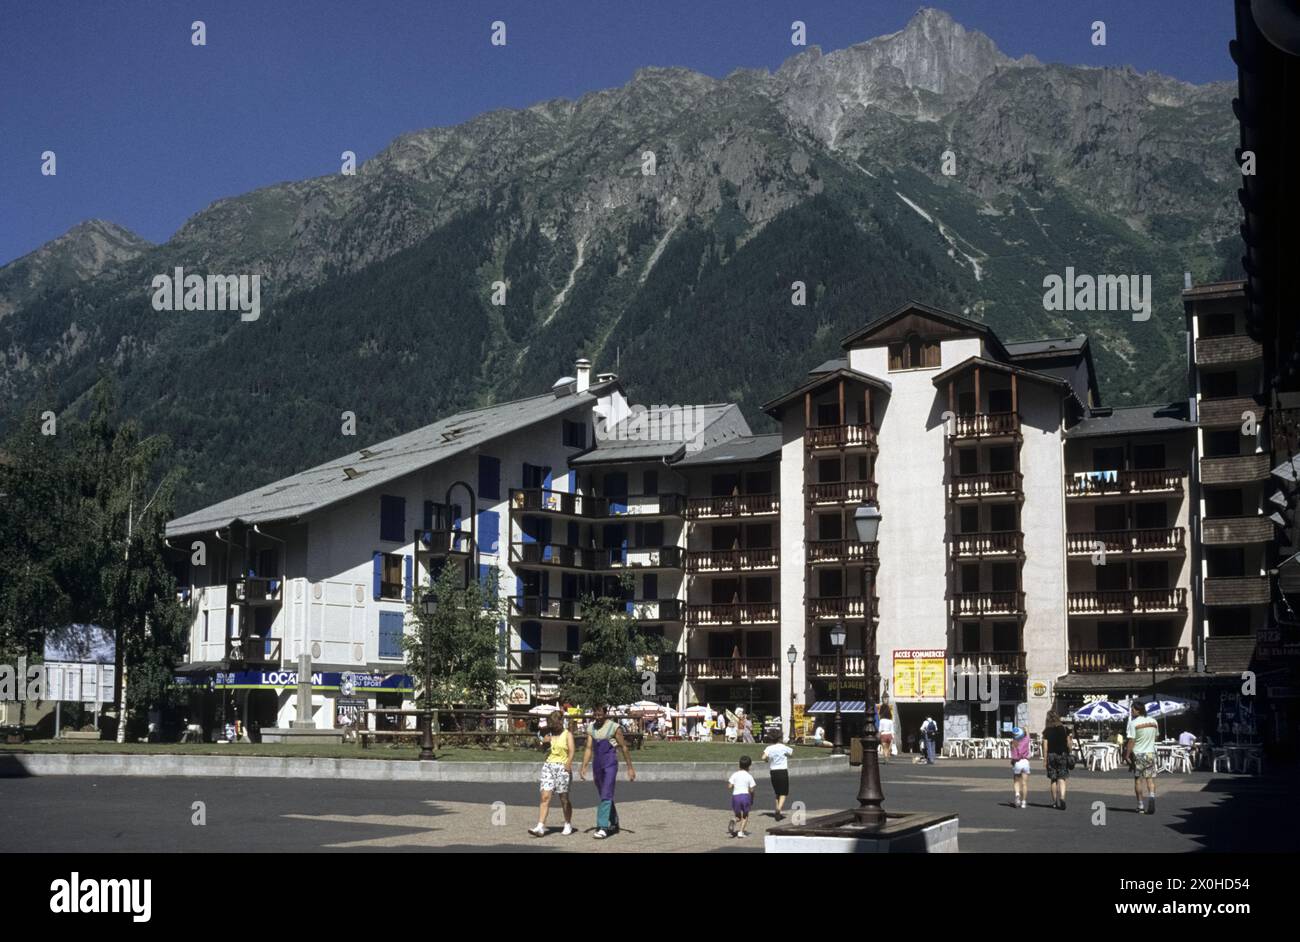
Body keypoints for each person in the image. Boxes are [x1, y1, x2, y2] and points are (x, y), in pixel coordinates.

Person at [580, 704, 636, 839]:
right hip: (597, 764)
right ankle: (614, 821)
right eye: (595, 714)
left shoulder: (614, 727)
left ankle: (603, 826)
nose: (598, 717)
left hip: (610, 763)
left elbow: (624, 747)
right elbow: (588, 748)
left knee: (606, 793)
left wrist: (630, 767)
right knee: (605, 794)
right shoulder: (591, 728)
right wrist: (584, 766)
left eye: (600, 714)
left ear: (605, 714)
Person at [528, 710, 575, 837]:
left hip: (562, 766)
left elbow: (571, 751)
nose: (553, 725)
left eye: (555, 723)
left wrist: (568, 763)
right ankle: (540, 826)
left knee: (563, 798)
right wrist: (544, 742)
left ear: (560, 722)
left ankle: (567, 823)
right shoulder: (548, 734)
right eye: (551, 723)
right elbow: (542, 751)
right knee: (545, 797)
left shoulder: (567, 734)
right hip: (549, 765)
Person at [1125, 702, 1160, 814]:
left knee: (1138, 780)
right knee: (1150, 779)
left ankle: (1140, 805)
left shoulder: (1133, 723)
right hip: (1150, 753)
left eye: (1133, 710)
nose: (1131, 712)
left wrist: (1126, 754)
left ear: (1138, 710)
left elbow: (1131, 740)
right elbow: (1156, 736)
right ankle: (1152, 796)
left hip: (1138, 754)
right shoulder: (1154, 721)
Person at [1042, 711, 1075, 810]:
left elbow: (1045, 746)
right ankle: (1062, 798)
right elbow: (1069, 742)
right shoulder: (1065, 729)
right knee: (1062, 778)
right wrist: (1069, 750)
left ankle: (1055, 802)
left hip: (1051, 755)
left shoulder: (1046, 731)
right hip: (1062, 754)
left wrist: (1045, 759)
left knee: (1053, 779)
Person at [761, 734, 794, 820]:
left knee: (777, 792)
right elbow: (791, 753)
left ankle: (777, 810)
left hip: (773, 771)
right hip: (782, 771)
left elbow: (763, 757)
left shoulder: (769, 748)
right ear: (779, 738)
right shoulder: (783, 747)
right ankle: (779, 809)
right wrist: (786, 756)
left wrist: (767, 760)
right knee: (783, 793)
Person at [728, 755, 757, 838]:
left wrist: (735, 784)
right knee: (745, 815)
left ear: (739, 765)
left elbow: (729, 786)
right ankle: (740, 832)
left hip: (735, 796)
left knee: (738, 816)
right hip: (745, 796)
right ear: (749, 766)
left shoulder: (735, 774)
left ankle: (734, 820)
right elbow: (752, 790)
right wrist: (752, 798)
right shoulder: (749, 776)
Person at [1009, 726, 1032, 808]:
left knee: (1016, 781)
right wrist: (1026, 729)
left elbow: (1014, 756)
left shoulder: (1014, 743)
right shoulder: (1026, 740)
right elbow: (1028, 736)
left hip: (1017, 762)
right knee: (1024, 783)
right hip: (1025, 762)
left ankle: (1017, 794)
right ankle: (1024, 802)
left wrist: (1012, 762)